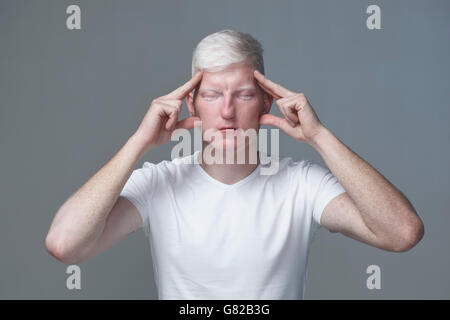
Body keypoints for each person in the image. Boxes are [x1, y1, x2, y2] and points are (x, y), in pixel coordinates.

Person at [45, 30, 424, 299]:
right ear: (191, 105)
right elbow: (65, 245)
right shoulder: (159, 183)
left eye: (243, 95)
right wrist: (137, 143)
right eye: (211, 95)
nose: (227, 112)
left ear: (265, 103)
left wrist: (319, 137)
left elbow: (401, 233)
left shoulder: (301, 184)